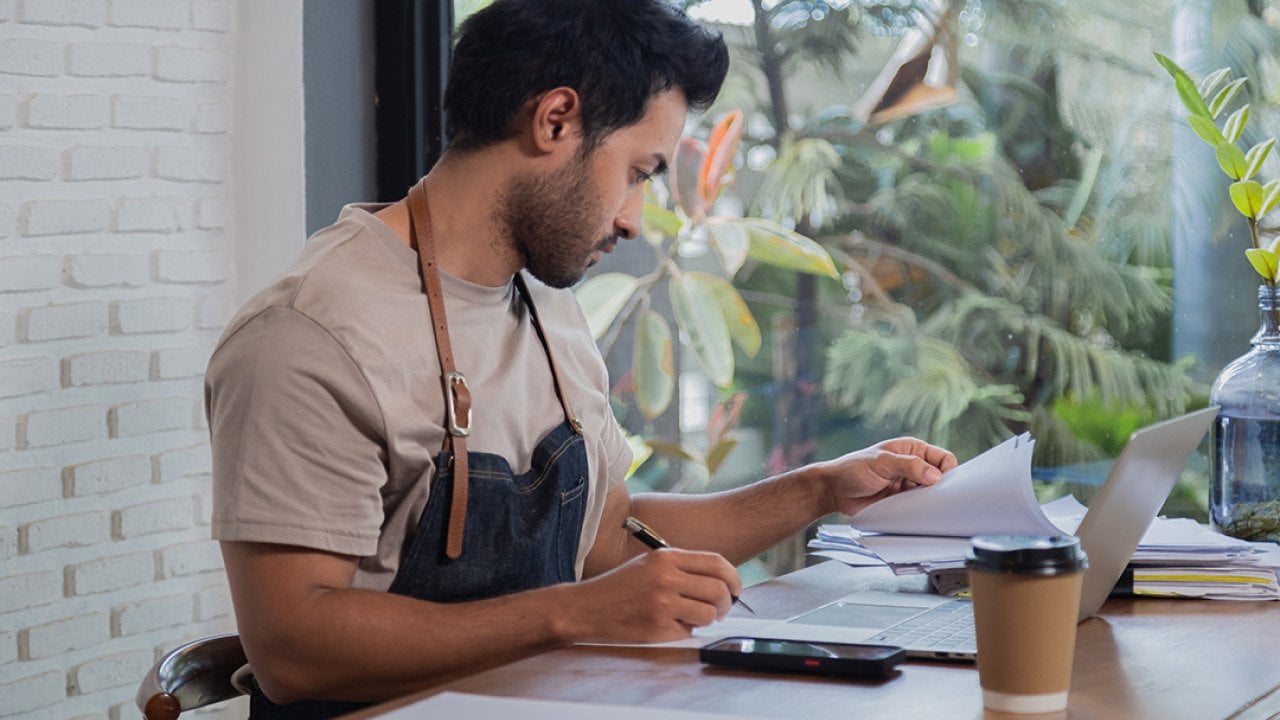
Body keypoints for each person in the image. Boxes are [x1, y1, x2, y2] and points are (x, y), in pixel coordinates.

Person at [205, 0, 957, 716]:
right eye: (637, 171)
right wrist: (573, 614)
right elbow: (293, 650)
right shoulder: (310, 335)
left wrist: (821, 490)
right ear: (555, 119)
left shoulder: (546, 304)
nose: (634, 219)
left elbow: (605, 538)